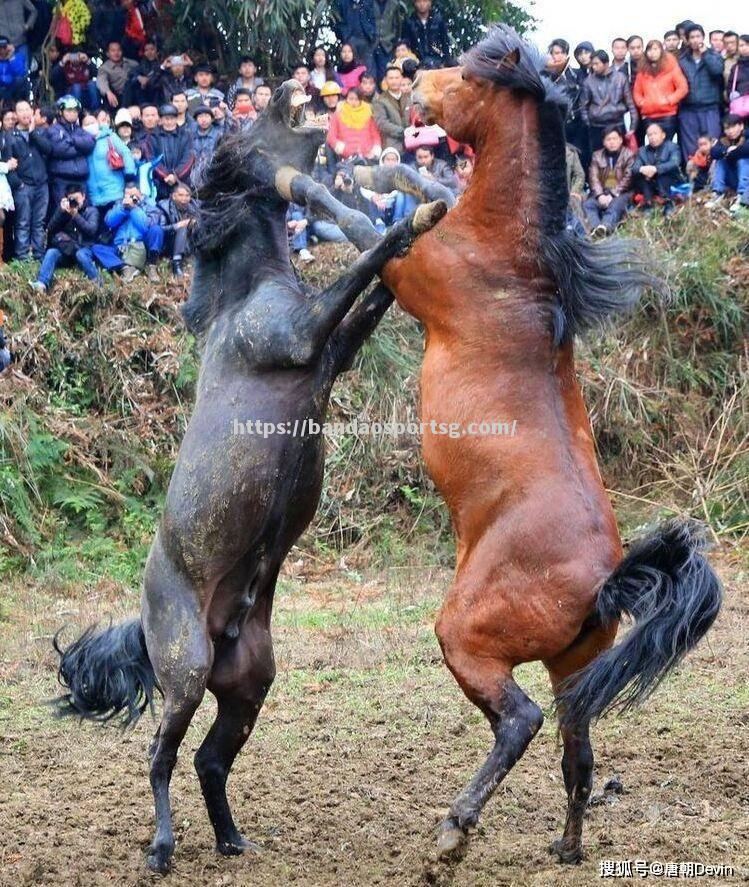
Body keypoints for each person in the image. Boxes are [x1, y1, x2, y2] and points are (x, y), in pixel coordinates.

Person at [30, 185, 101, 292]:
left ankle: (98, 284)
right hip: (68, 251)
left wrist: (75, 215)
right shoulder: (65, 212)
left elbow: (91, 230)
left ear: (83, 196)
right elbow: (50, 229)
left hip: (85, 249)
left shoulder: (91, 211)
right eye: (71, 199)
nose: (74, 202)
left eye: (76, 199)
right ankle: (41, 283)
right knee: (52, 252)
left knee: (80, 254)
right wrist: (60, 211)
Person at [3, 99, 48, 260]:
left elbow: (49, 150)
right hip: (23, 185)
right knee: (22, 222)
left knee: (39, 222)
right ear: (15, 114)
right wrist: (18, 184)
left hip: (42, 185)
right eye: (20, 110)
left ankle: (38, 254)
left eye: (27, 109)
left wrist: (33, 132)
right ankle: (22, 257)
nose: (25, 113)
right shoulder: (9, 136)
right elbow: (7, 162)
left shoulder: (40, 132)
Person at [92, 183, 161, 282]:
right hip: (119, 246)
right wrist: (123, 209)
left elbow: (145, 227)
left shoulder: (149, 205)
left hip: (140, 245)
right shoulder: (119, 205)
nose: (130, 198)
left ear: (140, 193)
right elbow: (109, 222)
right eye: (127, 195)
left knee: (157, 230)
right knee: (96, 248)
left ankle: (151, 266)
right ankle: (125, 268)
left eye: (133, 196)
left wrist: (134, 209)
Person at [678, 24, 725, 162]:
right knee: (691, 146)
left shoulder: (714, 55)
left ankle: (713, 176)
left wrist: (705, 53)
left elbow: (717, 70)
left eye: (698, 36)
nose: (695, 40)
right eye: (691, 37)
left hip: (710, 108)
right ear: (687, 40)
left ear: (703, 37)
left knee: (713, 144)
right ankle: (693, 177)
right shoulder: (682, 60)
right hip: (688, 109)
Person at [580, 50, 638, 153]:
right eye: (592, 64)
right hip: (597, 126)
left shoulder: (620, 78)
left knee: (620, 158)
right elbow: (583, 106)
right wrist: (588, 123)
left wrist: (632, 127)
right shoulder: (588, 82)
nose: (594, 67)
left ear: (606, 64)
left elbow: (630, 103)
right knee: (598, 158)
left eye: (597, 64)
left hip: (617, 123)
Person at [82, 110, 136, 216]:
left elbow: (126, 153)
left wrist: (129, 176)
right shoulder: (82, 143)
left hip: (115, 191)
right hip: (94, 195)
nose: (90, 126)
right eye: (87, 124)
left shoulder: (109, 137)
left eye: (92, 123)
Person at [633, 40, 688, 142]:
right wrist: (642, 103)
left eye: (655, 49)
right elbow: (637, 92)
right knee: (652, 145)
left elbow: (683, 88)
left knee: (667, 145)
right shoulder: (642, 71)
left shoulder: (672, 67)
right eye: (649, 50)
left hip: (668, 114)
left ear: (661, 50)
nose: (652, 52)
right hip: (649, 115)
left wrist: (669, 99)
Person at [585, 126, 634, 235]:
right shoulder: (597, 155)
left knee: (615, 205)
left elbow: (628, 177)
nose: (612, 142)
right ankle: (595, 229)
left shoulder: (628, 155)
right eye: (608, 139)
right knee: (589, 204)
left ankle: (606, 227)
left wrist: (613, 194)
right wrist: (600, 195)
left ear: (621, 140)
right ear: (603, 142)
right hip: (602, 191)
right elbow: (593, 177)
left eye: (614, 139)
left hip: (621, 192)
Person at [46, 95, 95, 205]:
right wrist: (81, 149)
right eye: (69, 110)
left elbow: (91, 143)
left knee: (84, 212)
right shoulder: (53, 129)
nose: (73, 113)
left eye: (75, 110)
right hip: (61, 179)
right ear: (60, 112)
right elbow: (59, 149)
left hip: (81, 179)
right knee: (62, 213)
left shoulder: (80, 130)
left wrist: (71, 140)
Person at [547, 39, 588, 168]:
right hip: (556, 126)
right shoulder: (546, 77)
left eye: (561, 53)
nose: (558, 56)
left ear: (567, 54)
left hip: (578, 126)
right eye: (555, 53)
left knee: (580, 160)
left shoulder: (578, 74)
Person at [633, 122, 682, 215]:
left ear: (663, 135)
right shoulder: (642, 151)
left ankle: (668, 203)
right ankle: (648, 205)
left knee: (663, 174)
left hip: (669, 182)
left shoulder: (672, 147)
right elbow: (634, 168)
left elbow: (675, 163)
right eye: (649, 135)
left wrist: (655, 169)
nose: (652, 137)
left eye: (655, 133)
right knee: (642, 176)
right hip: (650, 183)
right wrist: (643, 169)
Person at [151, 180, 197, 276]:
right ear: (173, 196)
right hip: (169, 243)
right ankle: (176, 265)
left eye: (187, 195)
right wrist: (177, 226)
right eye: (181, 195)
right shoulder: (163, 207)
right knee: (183, 227)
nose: (184, 198)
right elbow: (159, 229)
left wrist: (195, 223)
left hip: (188, 243)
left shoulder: (194, 206)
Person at [707, 113, 749, 212]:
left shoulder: (747, 135)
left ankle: (741, 196)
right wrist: (728, 149)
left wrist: (731, 152)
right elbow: (713, 152)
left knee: (743, 159)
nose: (730, 131)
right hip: (733, 178)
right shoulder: (723, 139)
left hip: (747, 179)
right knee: (721, 160)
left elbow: (746, 150)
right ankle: (717, 193)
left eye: (733, 127)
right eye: (727, 128)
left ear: (741, 126)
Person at [152, 102, 194, 199]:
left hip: (181, 182)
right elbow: (151, 159)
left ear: (176, 119)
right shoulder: (153, 137)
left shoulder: (186, 135)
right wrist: (165, 175)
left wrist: (176, 175)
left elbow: (189, 158)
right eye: (166, 119)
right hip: (160, 183)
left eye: (172, 118)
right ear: (161, 120)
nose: (169, 122)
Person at [327, 86, 381, 161]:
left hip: (367, 156)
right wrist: (342, 149)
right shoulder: (338, 113)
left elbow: (375, 135)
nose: (353, 102)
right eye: (351, 99)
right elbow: (331, 136)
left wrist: (375, 150)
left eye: (356, 99)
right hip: (345, 157)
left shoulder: (368, 113)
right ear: (346, 99)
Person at [402, 0, 451, 69]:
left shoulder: (438, 20)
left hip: (437, 59)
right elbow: (406, 44)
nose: (422, 4)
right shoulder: (409, 22)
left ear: (430, 2)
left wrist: (446, 61)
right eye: (419, 1)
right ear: (414, 3)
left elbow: (445, 43)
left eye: (425, 1)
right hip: (416, 61)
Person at [372, 64, 410, 153]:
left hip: (412, 141)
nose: (394, 81)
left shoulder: (409, 98)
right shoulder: (380, 100)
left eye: (397, 78)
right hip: (392, 143)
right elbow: (382, 123)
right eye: (391, 78)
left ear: (401, 78)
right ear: (385, 80)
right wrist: (403, 132)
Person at [334, 0, 377, 76]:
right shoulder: (342, 2)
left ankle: (367, 87)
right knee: (350, 68)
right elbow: (337, 21)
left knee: (368, 70)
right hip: (349, 40)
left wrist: (372, 34)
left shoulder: (368, 2)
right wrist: (345, 36)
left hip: (366, 40)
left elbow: (375, 18)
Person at [97, 41, 138, 110]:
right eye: (113, 51)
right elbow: (102, 81)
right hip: (117, 97)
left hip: (133, 95)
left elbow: (140, 70)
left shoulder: (131, 63)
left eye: (119, 50)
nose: (116, 53)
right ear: (107, 54)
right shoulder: (104, 68)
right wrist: (108, 92)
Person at [0, 0, 35, 70]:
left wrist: (27, 26)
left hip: (20, 42)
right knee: (4, 75)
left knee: (22, 74)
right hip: (3, 46)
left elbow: (34, 11)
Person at [372, 0, 400, 83]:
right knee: (371, 73)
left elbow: (397, 25)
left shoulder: (394, 4)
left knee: (385, 73)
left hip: (387, 45)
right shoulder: (369, 3)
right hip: (372, 44)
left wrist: (393, 40)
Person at [191, 104, 220, 180]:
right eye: (200, 116)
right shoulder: (190, 135)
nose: (203, 120)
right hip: (193, 174)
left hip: (212, 173)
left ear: (212, 119)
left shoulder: (218, 134)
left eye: (206, 116)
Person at [129, 39, 161, 105]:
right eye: (146, 50)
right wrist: (139, 77)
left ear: (157, 51)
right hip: (147, 92)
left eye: (152, 49)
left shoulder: (161, 62)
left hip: (158, 92)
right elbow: (131, 72)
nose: (149, 52)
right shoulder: (143, 63)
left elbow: (159, 73)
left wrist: (148, 79)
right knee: (131, 83)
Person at [0, 36, 28, 105]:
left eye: (4, 47)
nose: (2, 50)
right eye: (0, 48)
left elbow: (20, 73)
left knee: (20, 80)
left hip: (12, 90)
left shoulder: (17, 57)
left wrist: (11, 57)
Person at [726, 36, 749, 114]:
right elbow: (730, 86)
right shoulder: (736, 67)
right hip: (741, 107)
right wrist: (731, 95)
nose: (745, 48)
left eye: (747, 45)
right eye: (741, 45)